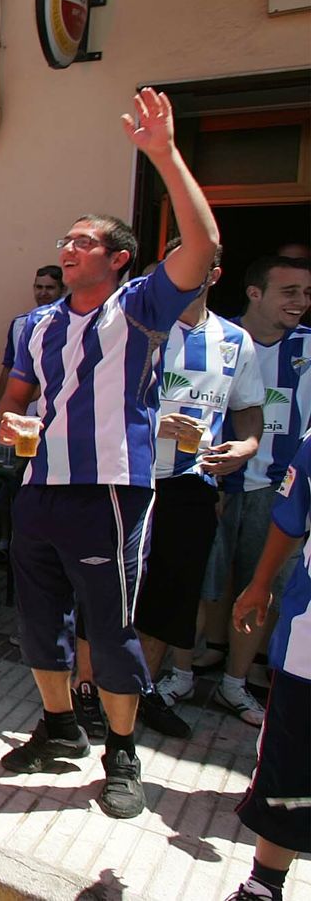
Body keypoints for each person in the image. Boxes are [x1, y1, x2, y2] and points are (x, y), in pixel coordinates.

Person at [0, 88, 220, 820]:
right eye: (65, 238)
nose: (69, 247)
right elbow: (14, 399)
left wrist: (163, 154)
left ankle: (120, 750)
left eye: (85, 241)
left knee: (110, 625)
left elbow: (204, 249)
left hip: (112, 487)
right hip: (41, 486)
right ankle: (59, 726)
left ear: (118, 258)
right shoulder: (34, 323)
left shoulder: (141, 305)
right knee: (37, 620)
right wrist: (8, 423)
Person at [95, 243, 261, 740]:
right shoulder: (133, 327)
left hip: (191, 483)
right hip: (125, 477)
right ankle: (92, 693)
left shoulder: (235, 340)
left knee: (171, 594)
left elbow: (249, 411)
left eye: (194, 265)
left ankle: (139, 691)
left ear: (214, 273)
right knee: (108, 592)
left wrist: (246, 447)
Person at [169, 254, 311, 723]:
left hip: (279, 492)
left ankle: (236, 683)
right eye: (289, 292)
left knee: (260, 587)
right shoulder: (219, 337)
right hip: (210, 482)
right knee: (195, 582)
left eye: (306, 293)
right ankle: (180, 674)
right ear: (255, 292)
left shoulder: (310, 347)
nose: (301, 302)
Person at [225, 430, 310, 901]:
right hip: (309, 644)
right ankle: (263, 886)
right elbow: (291, 517)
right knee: (289, 767)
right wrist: (260, 583)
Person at [0, 266, 65, 404]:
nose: (43, 293)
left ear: (63, 290)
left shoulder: (69, 326)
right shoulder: (19, 324)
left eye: (50, 288)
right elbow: (9, 366)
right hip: (19, 407)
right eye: (39, 287)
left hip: (52, 405)